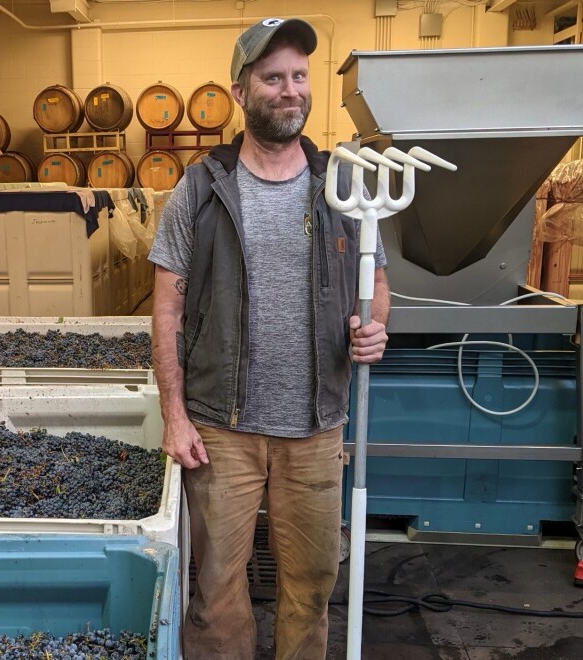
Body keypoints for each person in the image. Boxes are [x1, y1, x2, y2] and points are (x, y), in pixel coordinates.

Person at [147, 17, 390, 660]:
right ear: (241, 91)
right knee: (217, 592)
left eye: (300, 76)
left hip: (315, 428)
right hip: (221, 429)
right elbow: (167, 308)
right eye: (273, 77)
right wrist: (174, 415)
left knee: (312, 587)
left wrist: (375, 328)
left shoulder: (343, 186)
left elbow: (375, 279)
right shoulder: (201, 188)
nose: (291, 90)